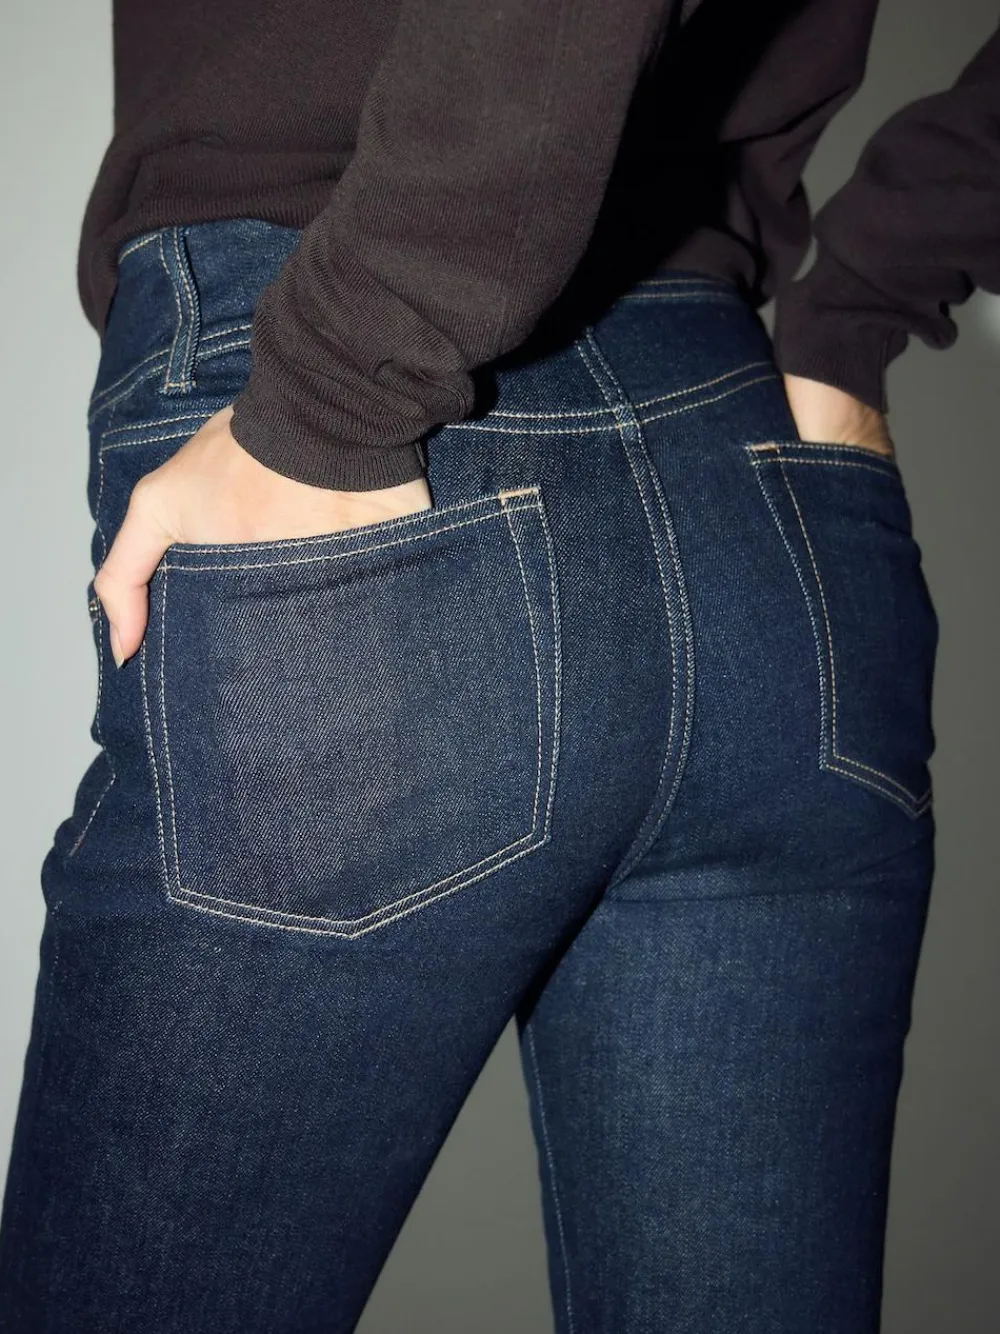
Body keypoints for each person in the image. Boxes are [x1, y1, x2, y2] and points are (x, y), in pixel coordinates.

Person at [0, 0, 994, 1328]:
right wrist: (867, 298)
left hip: (358, 378)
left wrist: (343, 378)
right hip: (751, 487)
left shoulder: (357, 355)